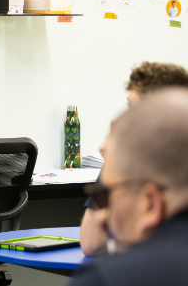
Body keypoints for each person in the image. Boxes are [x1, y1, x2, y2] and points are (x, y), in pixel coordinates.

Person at [70, 88, 188, 285]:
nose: (100, 215)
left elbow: (91, 244)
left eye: (105, 196)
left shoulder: (108, 278)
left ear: (150, 204)